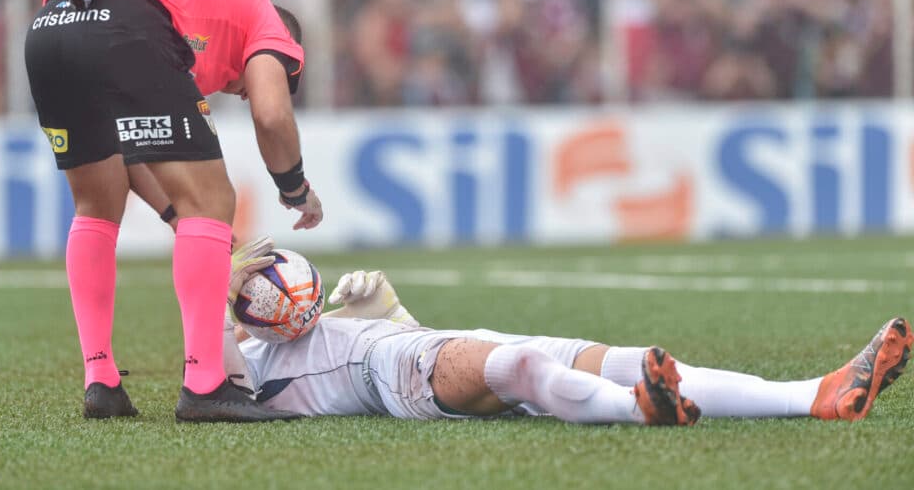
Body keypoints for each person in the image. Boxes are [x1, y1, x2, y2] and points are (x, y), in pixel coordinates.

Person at [25, 0, 323, 423]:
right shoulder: (268, 22)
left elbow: (131, 156)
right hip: (126, 21)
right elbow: (272, 116)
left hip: (50, 26)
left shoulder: (200, 21)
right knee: (214, 199)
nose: (245, 94)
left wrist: (175, 215)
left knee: (96, 206)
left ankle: (101, 381)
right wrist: (295, 189)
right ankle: (204, 387)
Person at [222, 242, 911, 426]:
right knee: (519, 369)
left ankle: (815, 394)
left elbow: (375, 342)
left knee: (625, 358)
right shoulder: (245, 368)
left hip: (421, 348)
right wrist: (221, 299)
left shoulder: (284, 339)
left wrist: (388, 311)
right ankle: (638, 410)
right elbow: (218, 373)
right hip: (395, 376)